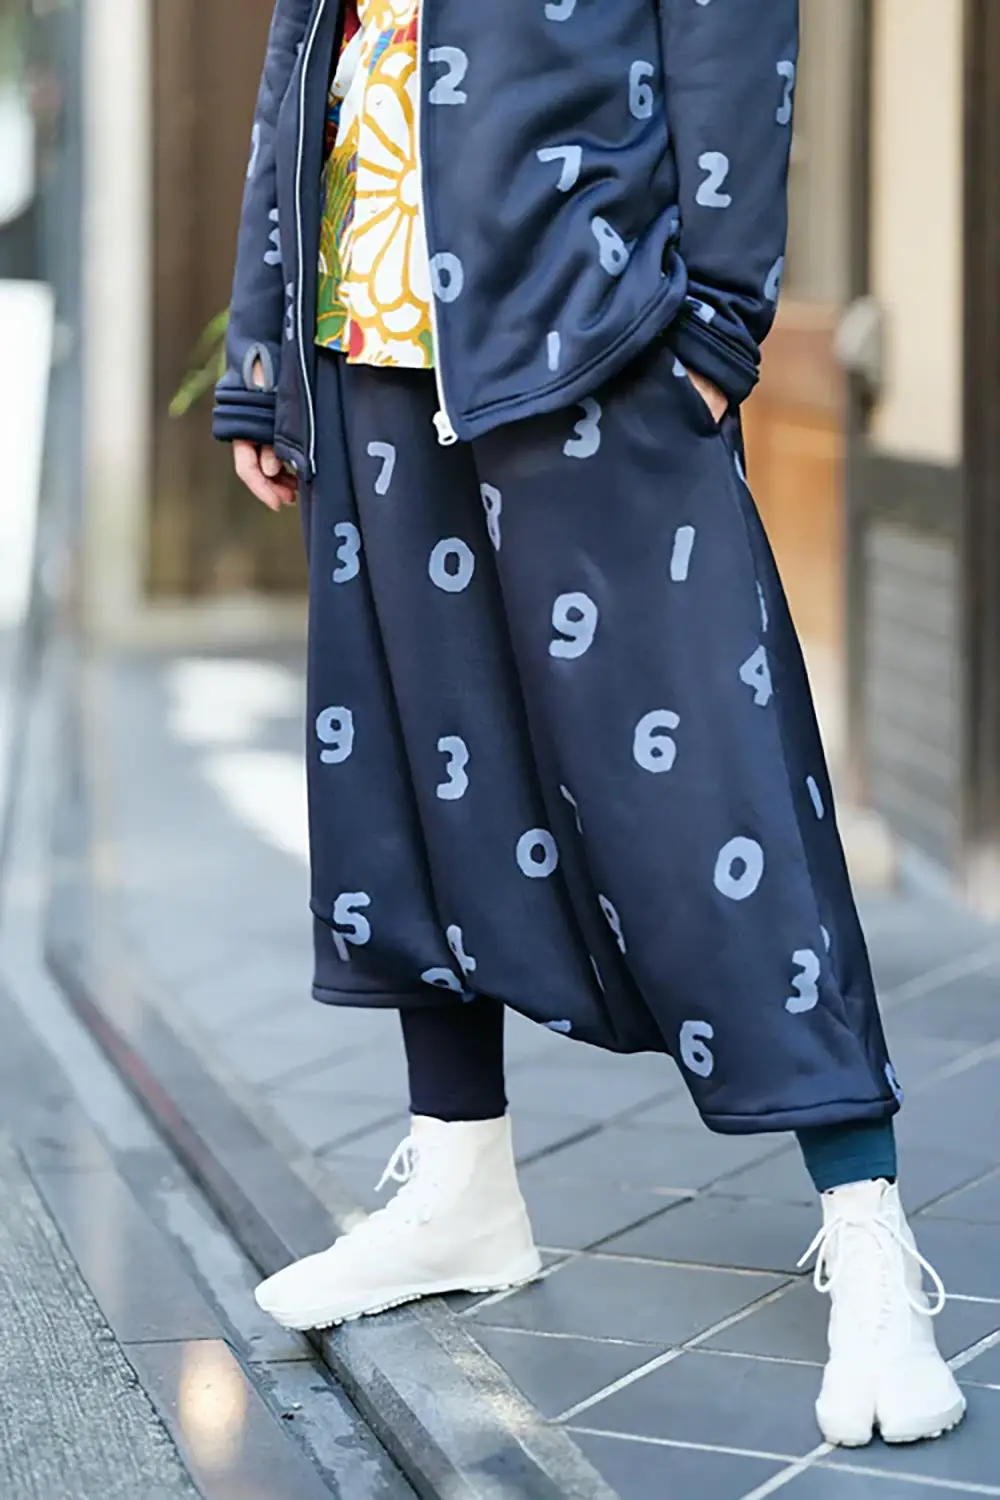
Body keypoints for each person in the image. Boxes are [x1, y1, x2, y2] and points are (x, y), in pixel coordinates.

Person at [213, 0, 965, 1449]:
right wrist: (264, 349)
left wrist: (720, 321)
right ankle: (460, 1183)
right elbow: (303, 45)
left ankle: (867, 1227)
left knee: (710, 782)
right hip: (369, 334)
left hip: (586, 329)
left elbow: (732, 29)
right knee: (411, 772)